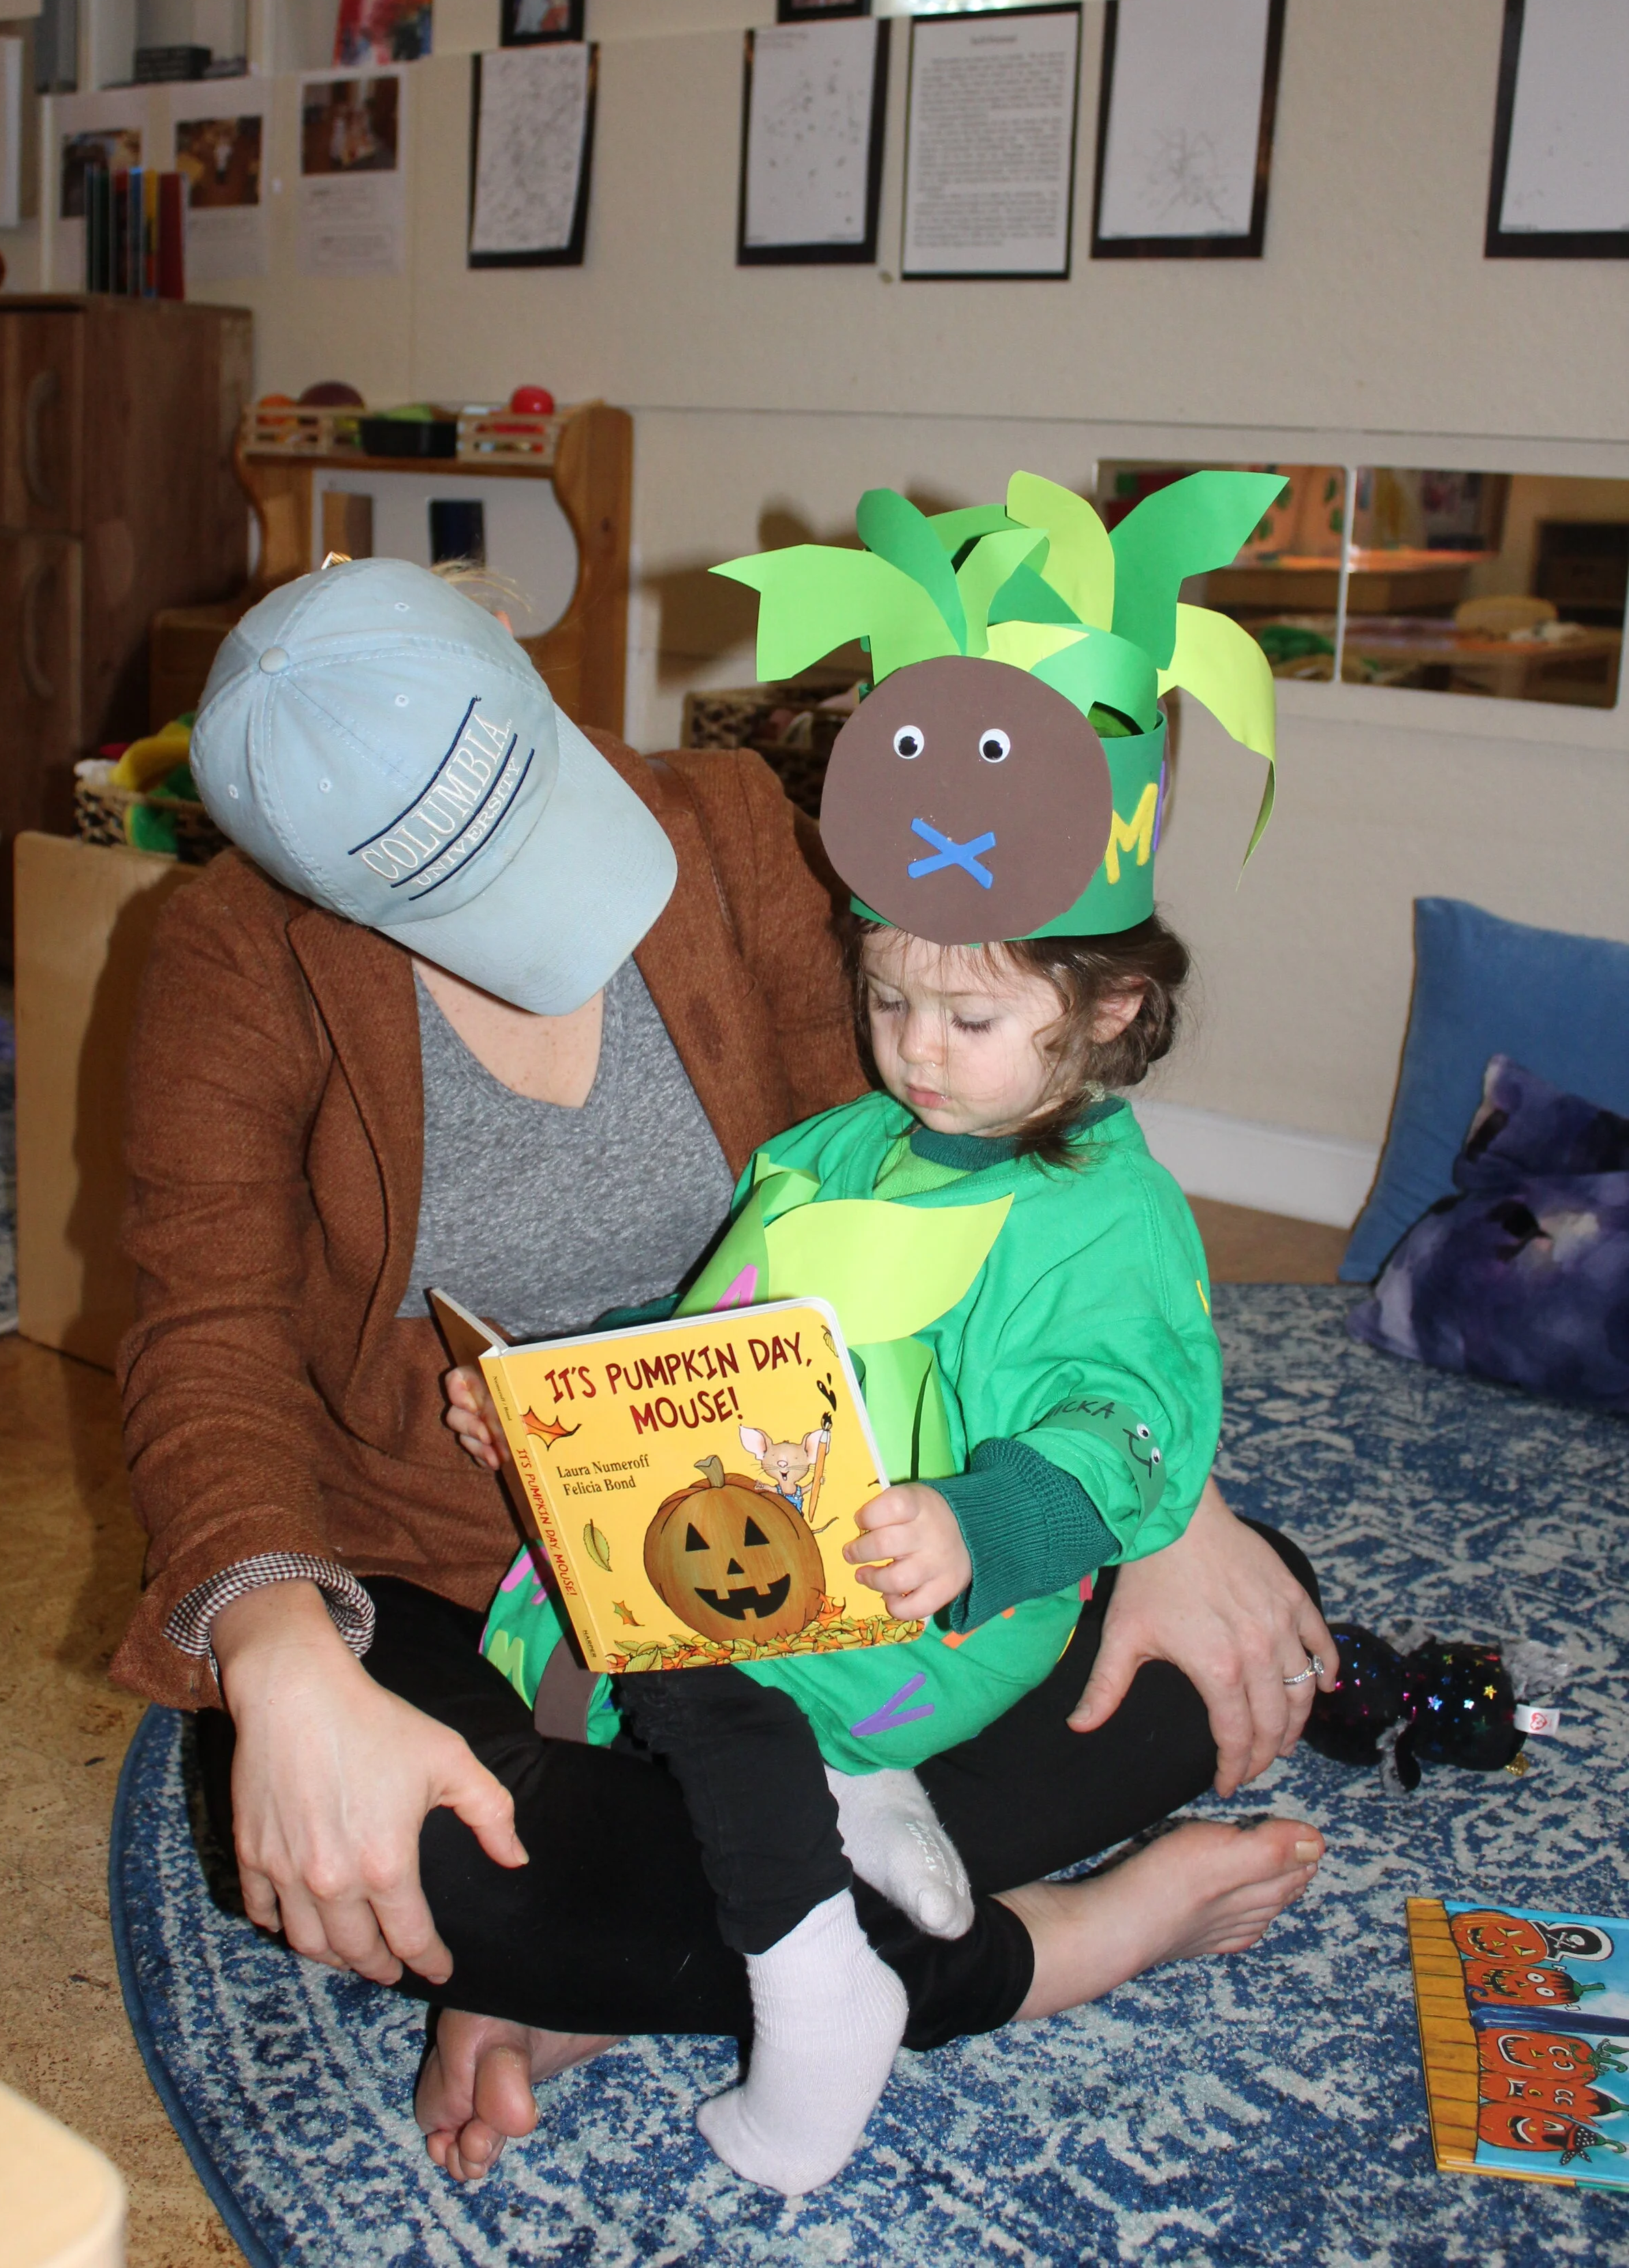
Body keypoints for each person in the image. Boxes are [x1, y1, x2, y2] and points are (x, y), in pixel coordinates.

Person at [114, 553, 1333, 2198]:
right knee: (394, 1866)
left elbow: (975, 1174)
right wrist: (280, 1656)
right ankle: (1039, 1942)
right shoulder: (223, 957)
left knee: (1218, 1641)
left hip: (845, 1496)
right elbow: (205, 1332)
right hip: (472, 1548)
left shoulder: (727, 819)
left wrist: (1158, 1503)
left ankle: (658, 1949)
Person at [450, 906, 1227, 2194]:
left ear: (1110, 1009)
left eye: (970, 1020)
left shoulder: (1109, 1214)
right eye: (888, 1003)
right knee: (607, 1647)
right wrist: (552, 1380)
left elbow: (1132, 1421)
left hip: (938, 1600)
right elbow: (714, 1319)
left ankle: (815, 1979)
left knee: (679, 1663)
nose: (917, 1049)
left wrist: (979, 1522)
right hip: (768, 1542)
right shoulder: (839, 1147)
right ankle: (844, 1788)